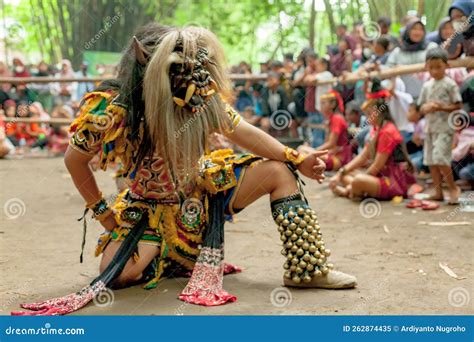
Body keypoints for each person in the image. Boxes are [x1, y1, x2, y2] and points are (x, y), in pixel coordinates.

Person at [13, 23, 356, 316]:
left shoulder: (198, 93)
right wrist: (104, 214)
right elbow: (74, 159)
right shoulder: (112, 107)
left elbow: (243, 133)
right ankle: (172, 259)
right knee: (117, 275)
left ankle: (307, 269)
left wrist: (296, 158)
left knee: (279, 171)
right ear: (145, 60)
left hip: (202, 197)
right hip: (148, 210)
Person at [329, 79, 416, 200]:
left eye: (369, 113)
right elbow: (363, 156)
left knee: (358, 180)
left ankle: (350, 191)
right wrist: (340, 173)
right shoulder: (376, 129)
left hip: (392, 181)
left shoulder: (387, 131)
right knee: (345, 174)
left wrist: (356, 182)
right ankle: (356, 190)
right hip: (380, 176)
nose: (367, 118)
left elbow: (377, 166)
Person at [418, 47, 463, 204]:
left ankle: (452, 188)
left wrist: (440, 107)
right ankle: (438, 192)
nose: (435, 71)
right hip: (430, 128)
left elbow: (458, 105)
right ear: (426, 68)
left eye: (438, 67)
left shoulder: (450, 84)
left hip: (445, 128)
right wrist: (424, 108)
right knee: (430, 160)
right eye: (431, 67)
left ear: (446, 66)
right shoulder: (426, 86)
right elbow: (421, 106)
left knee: (440, 159)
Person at [299, 90, 352, 171]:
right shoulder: (331, 119)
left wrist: (314, 151)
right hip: (332, 154)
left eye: (323, 103)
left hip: (339, 158)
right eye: (321, 103)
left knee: (302, 150)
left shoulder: (337, 118)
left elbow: (331, 143)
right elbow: (328, 143)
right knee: (302, 150)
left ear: (332, 104)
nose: (321, 106)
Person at [387, 19, 438, 98]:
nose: (417, 32)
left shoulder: (431, 48)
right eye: (414, 29)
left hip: (430, 96)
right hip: (405, 97)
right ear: (407, 31)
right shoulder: (398, 51)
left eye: (420, 29)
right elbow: (388, 69)